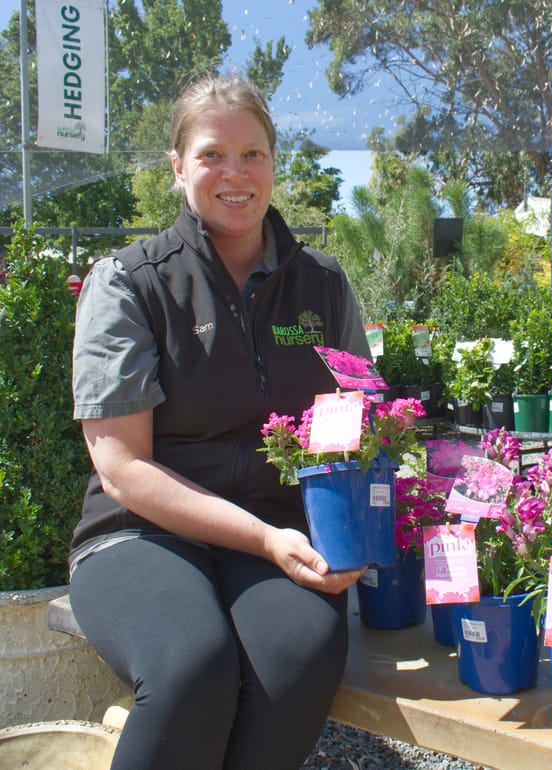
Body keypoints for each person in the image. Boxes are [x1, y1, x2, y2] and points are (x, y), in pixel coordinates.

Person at [69, 73, 370, 770]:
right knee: (190, 666)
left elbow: (358, 419)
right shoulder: (130, 282)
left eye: (253, 154)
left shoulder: (323, 284)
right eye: (211, 155)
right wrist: (264, 537)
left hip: (283, 531)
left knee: (294, 664)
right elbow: (122, 468)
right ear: (178, 168)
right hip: (140, 536)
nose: (235, 174)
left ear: (273, 162)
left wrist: (367, 521)